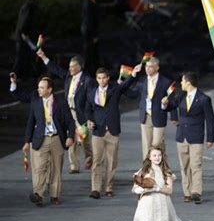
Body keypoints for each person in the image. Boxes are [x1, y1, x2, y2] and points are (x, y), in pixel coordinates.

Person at [85, 65, 141, 199]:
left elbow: (125, 85)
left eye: (104, 78)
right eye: (99, 78)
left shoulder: (115, 89)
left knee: (111, 161)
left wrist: (133, 74)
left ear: (108, 78)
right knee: (97, 160)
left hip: (112, 130)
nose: (102, 80)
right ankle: (95, 189)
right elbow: (88, 109)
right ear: (96, 79)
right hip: (98, 130)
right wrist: (89, 120)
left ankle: (109, 188)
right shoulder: (92, 92)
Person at [161, 72, 214, 204]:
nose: (181, 83)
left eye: (183, 81)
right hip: (182, 136)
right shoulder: (180, 95)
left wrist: (210, 138)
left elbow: (210, 120)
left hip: (196, 136)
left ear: (188, 83)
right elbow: (171, 106)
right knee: (184, 166)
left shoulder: (203, 99)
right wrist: (164, 103)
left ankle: (196, 192)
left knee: (196, 164)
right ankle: (187, 192)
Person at [36, 49, 93, 174]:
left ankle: (90, 157)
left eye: (73, 66)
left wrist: (90, 116)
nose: (70, 69)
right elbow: (56, 69)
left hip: (81, 114)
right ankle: (74, 166)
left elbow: (89, 99)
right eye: (69, 66)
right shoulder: (68, 76)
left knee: (84, 139)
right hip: (69, 112)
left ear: (80, 67)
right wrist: (44, 57)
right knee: (71, 136)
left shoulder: (87, 80)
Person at [22, 76, 75, 206]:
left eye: (42, 87)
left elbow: (70, 121)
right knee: (39, 168)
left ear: (49, 89)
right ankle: (38, 195)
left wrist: (70, 136)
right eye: (39, 87)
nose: (38, 90)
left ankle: (54, 195)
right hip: (40, 139)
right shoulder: (36, 102)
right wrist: (27, 141)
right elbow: (31, 122)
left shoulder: (61, 102)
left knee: (56, 168)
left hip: (57, 138)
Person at [126, 56, 178, 158]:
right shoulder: (142, 81)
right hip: (145, 117)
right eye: (146, 66)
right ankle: (147, 170)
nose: (147, 69)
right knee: (146, 146)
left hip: (159, 115)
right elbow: (132, 94)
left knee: (157, 145)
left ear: (157, 68)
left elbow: (172, 99)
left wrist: (174, 116)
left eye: (150, 67)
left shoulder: (165, 82)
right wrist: (125, 83)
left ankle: (162, 169)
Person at [12, 0, 41, 78]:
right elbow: (25, 21)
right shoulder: (30, 7)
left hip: (24, 36)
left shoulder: (26, 6)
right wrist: (24, 33)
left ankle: (22, 75)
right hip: (25, 37)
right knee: (21, 57)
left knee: (24, 57)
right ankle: (15, 75)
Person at [81, 0, 100, 76]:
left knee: (93, 54)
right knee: (89, 54)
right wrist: (94, 35)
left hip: (91, 32)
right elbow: (89, 21)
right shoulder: (88, 3)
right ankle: (88, 74)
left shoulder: (92, 2)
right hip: (89, 33)